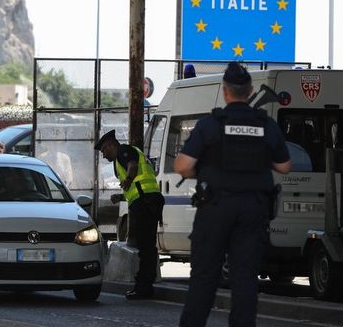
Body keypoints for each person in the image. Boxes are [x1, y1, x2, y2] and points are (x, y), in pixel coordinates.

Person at [174, 62, 292, 327]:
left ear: (226, 91)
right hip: (253, 209)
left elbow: (182, 166)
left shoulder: (210, 125)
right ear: (250, 91)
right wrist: (260, 161)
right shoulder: (267, 126)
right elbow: (284, 166)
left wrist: (204, 169)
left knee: (204, 278)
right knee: (245, 279)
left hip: (215, 206)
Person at [95, 130, 164, 300]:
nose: (104, 156)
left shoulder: (124, 151)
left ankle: (144, 287)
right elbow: (137, 185)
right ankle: (144, 284)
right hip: (147, 201)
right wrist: (121, 196)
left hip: (145, 203)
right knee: (145, 245)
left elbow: (133, 166)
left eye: (104, 151)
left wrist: (128, 179)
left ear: (111, 145)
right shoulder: (121, 158)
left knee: (146, 246)